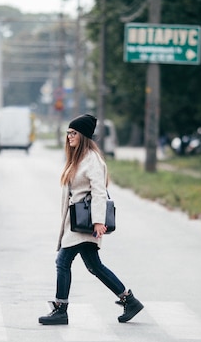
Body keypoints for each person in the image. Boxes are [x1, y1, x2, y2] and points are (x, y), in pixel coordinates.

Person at [38, 114, 144, 325]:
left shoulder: (92, 160)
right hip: (78, 222)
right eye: (68, 133)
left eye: (73, 133)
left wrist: (98, 221)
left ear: (84, 135)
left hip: (84, 223)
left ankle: (61, 309)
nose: (69, 137)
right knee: (94, 266)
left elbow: (99, 192)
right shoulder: (79, 157)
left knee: (63, 261)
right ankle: (128, 300)